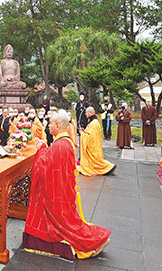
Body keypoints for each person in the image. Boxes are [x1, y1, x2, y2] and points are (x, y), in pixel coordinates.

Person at [22, 111, 111, 260]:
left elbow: (44, 168)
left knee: (66, 225)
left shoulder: (59, 145)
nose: (48, 126)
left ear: (58, 125)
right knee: (71, 221)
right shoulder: (65, 142)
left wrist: (41, 149)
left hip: (57, 195)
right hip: (63, 190)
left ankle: (94, 241)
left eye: (50, 123)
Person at [78, 107, 116, 176]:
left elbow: (90, 136)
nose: (86, 114)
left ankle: (108, 167)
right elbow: (89, 133)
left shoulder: (94, 123)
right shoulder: (93, 122)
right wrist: (84, 132)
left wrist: (82, 133)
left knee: (96, 161)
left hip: (93, 146)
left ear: (91, 113)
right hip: (94, 145)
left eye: (86, 112)